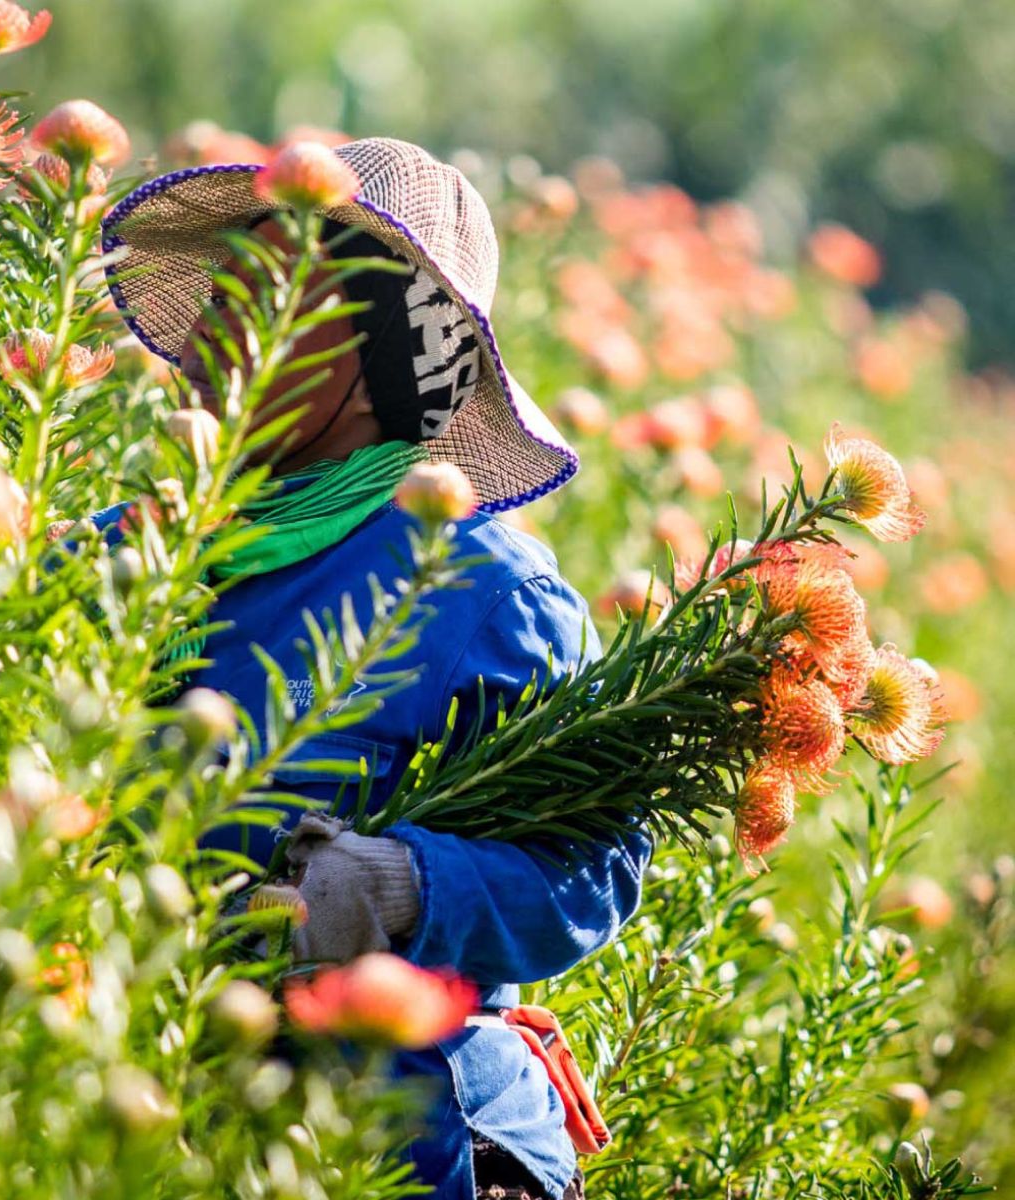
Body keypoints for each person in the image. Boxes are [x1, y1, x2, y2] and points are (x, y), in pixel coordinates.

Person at [97, 137, 653, 1200]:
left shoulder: (485, 592)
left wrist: (404, 885)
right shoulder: (126, 547)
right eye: (229, 293)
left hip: (391, 1139)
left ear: (381, 357)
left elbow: (593, 869)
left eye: (273, 301)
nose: (219, 334)